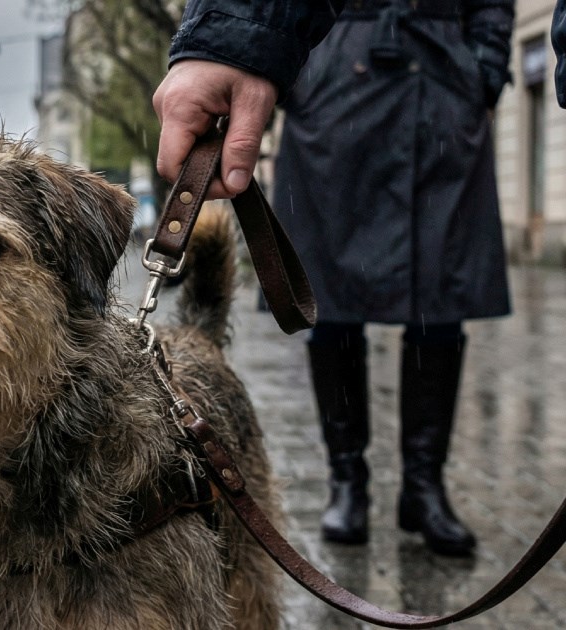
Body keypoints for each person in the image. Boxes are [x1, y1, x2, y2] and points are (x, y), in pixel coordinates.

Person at [154, 0, 525, 557]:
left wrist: (484, 69)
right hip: (334, 89)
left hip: (441, 88)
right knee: (331, 301)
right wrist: (287, 70)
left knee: (440, 301)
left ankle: (425, 488)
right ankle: (346, 480)